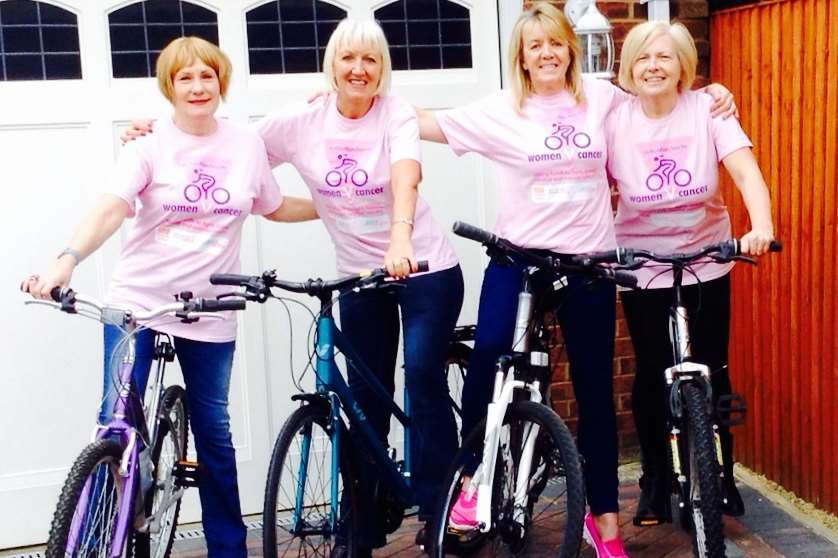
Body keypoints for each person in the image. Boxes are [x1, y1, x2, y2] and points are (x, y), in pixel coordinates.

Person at [126, 19, 464, 556]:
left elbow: (407, 174)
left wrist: (399, 237)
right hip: (359, 274)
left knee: (421, 376)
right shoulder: (299, 122)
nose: (358, 70)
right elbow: (218, 143)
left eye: (370, 60)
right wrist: (155, 132)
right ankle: (366, 520)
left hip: (423, 266)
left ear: (383, 69)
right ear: (331, 66)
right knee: (361, 397)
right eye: (348, 59)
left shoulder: (394, 113)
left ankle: (441, 505)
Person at [414, 3, 736, 557]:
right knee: (490, 356)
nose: (546, 53)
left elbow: (663, 93)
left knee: (594, 390)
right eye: (534, 45)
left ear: (569, 48)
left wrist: (713, 93)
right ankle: (473, 483)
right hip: (518, 258)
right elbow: (420, 123)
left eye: (555, 43)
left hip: (587, 264)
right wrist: (355, 104)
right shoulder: (500, 109)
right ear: (521, 53)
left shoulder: (602, 98)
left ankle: (604, 520)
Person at [22, 37, 316, 557]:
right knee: (115, 421)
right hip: (138, 303)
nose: (198, 86)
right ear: (169, 87)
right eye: (185, 78)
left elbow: (271, 206)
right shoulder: (148, 145)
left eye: (207, 76)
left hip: (209, 310)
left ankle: (229, 548)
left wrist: (333, 206)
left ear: (220, 82)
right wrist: (65, 259)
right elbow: (112, 207)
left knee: (214, 434)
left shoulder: (245, 145)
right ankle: (98, 540)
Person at [606, 21, 774, 527]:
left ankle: (722, 474)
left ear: (684, 66)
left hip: (707, 256)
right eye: (642, 58)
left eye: (664, 57)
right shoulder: (614, 117)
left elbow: (744, 171)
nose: (652, 66)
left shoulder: (708, 109)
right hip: (643, 265)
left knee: (714, 368)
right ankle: (655, 479)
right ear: (629, 68)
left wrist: (760, 225)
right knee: (653, 371)